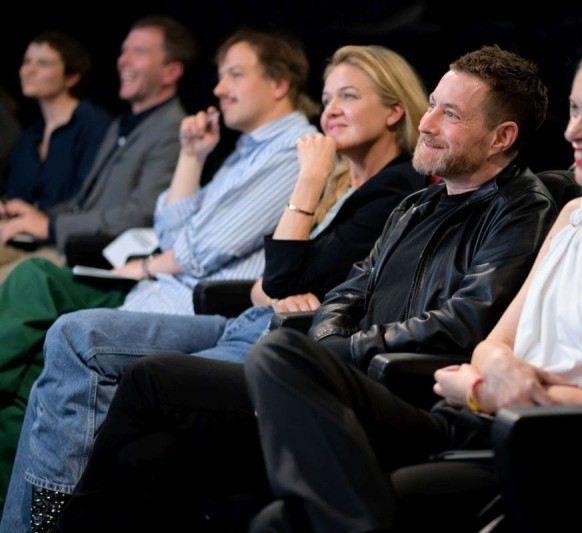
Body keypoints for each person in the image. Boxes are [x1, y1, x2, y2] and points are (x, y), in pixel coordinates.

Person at [235, 37, 582, 532]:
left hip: (533, 446)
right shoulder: (578, 213)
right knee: (280, 354)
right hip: (468, 416)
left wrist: (486, 386)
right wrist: (494, 372)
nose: (572, 132)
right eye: (576, 111)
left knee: (284, 521)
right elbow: (494, 341)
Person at [51, 44, 562, 532]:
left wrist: (339, 354)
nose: (425, 124)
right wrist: (327, 346)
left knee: (149, 378)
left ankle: (60, 527)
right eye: (431, 106)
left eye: (450, 115)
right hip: (337, 376)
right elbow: (348, 291)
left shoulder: (521, 208)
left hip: (404, 394)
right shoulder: (416, 206)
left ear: (501, 137)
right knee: (149, 458)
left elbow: (463, 322)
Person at [0, 43, 430, 533]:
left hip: (270, 339)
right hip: (236, 314)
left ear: (396, 110)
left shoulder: (384, 188)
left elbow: (274, 277)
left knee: (106, 382)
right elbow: (205, 248)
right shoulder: (338, 182)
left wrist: (308, 182)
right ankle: (31, 526)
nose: (329, 111)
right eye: (328, 98)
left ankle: (52, 524)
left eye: (348, 97)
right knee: (69, 336)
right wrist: (193, 159)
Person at [0, 16, 195, 280]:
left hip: (92, 255)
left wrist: (52, 225)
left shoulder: (174, 130)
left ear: (171, 72)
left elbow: (144, 214)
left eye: (138, 52)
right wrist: (36, 215)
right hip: (65, 243)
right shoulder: (121, 125)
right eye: (124, 51)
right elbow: (85, 202)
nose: (123, 60)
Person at [2, 31, 112, 212]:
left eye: (43, 63)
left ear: (71, 77)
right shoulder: (29, 135)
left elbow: (88, 201)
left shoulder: (94, 126)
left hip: (65, 237)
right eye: (27, 61)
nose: (29, 71)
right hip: (20, 236)